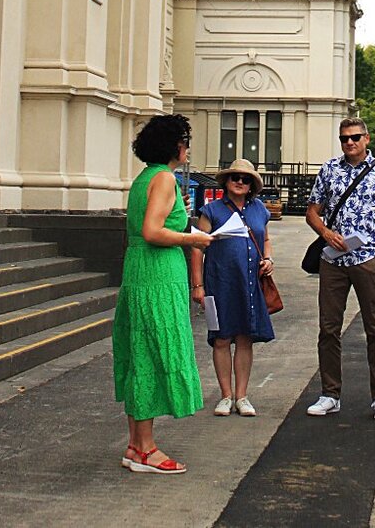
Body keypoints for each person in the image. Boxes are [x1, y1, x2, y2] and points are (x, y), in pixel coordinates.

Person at [112, 114, 214, 475]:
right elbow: (154, 231)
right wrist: (194, 238)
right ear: (175, 145)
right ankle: (147, 449)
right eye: (185, 142)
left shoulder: (145, 178)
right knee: (155, 352)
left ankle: (136, 446)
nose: (187, 148)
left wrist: (178, 214)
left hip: (139, 269)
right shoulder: (164, 178)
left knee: (140, 351)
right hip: (158, 272)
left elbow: (148, 225)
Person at [304, 117, 375, 419]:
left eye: (355, 137)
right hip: (333, 261)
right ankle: (329, 393)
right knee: (328, 328)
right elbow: (312, 211)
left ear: (366, 139)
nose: (349, 143)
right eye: (344, 138)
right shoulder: (330, 170)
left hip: (368, 260)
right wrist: (326, 233)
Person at [190, 158, 275, 417]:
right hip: (220, 282)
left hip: (249, 283)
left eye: (245, 179)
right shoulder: (212, 211)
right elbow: (197, 247)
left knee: (245, 338)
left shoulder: (259, 209)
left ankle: (242, 396)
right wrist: (198, 285)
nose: (240, 182)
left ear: (252, 186)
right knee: (221, 338)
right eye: (235, 177)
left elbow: (266, 237)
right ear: (226, 182)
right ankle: (226, 395)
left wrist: (269, 259)